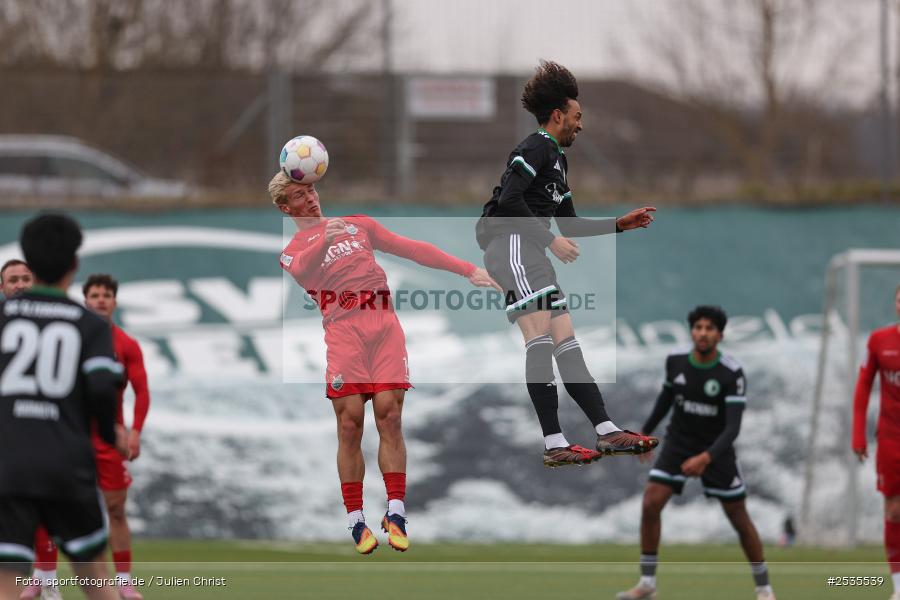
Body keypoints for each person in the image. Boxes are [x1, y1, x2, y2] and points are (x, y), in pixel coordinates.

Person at [271, 172, 500, 554]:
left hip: (384, 327)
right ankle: (356, 519)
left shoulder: (358, 225)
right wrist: (324, 240)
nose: (310, 198)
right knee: (350, 425)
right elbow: (304, 270)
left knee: (389, 415)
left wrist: (467, 269)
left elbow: (412, 249)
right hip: (344, 334)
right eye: (299, 195)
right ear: (285, 208)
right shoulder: (292, 251)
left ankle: (396, 512)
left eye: (310, 190)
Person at [477, 59, 658, 467]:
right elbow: (509, 202)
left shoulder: (558, 159)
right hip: (512, 246)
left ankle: (606, 430)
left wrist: (619, 225)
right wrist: (550, 240)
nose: (581, 124)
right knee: (540, 339)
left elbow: (570, 225)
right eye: (577, 116)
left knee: (566, 342)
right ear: (558, 115)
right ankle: (554, 442)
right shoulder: (536, 146)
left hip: (530, 249)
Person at [0, 214, 125, 600]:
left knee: (7, 580)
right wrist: (111, 433)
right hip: (66, 466)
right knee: (96, 579)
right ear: (74, 263)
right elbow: (102, 387)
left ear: (28, 262)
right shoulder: (90, 325)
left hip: (9, 465)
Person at [617, 306, 775, 600]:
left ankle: (764, 589)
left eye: (709, 329)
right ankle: (647, 584)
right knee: (651, 503)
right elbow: (666, 398)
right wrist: (644, 432)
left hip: (716, 450)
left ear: (720, 335)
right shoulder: (676, 361)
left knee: (738, 517)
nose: (703, 333)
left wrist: (706, 458)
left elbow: (733, 428)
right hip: (678, 444)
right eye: (698, 328)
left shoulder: (731, 372)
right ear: (691, 332)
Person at [31, 274, 150, 600]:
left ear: (114, 302)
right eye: (95, 295)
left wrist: (135, 431)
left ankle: (124, 581)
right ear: (85, 300)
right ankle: (46, 579)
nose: (100, 300)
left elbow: (142, 391)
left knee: (116, 510)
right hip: (69, 437)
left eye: (106, 295)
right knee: (48, 505)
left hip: (108, 442)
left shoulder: (126, 345)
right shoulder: (69, 339)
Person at [852, 285, 900, 600]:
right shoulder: (879, 340)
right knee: (894, 511)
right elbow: (863, 384)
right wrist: (858, 433)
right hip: (892, 439)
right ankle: (898, 587)